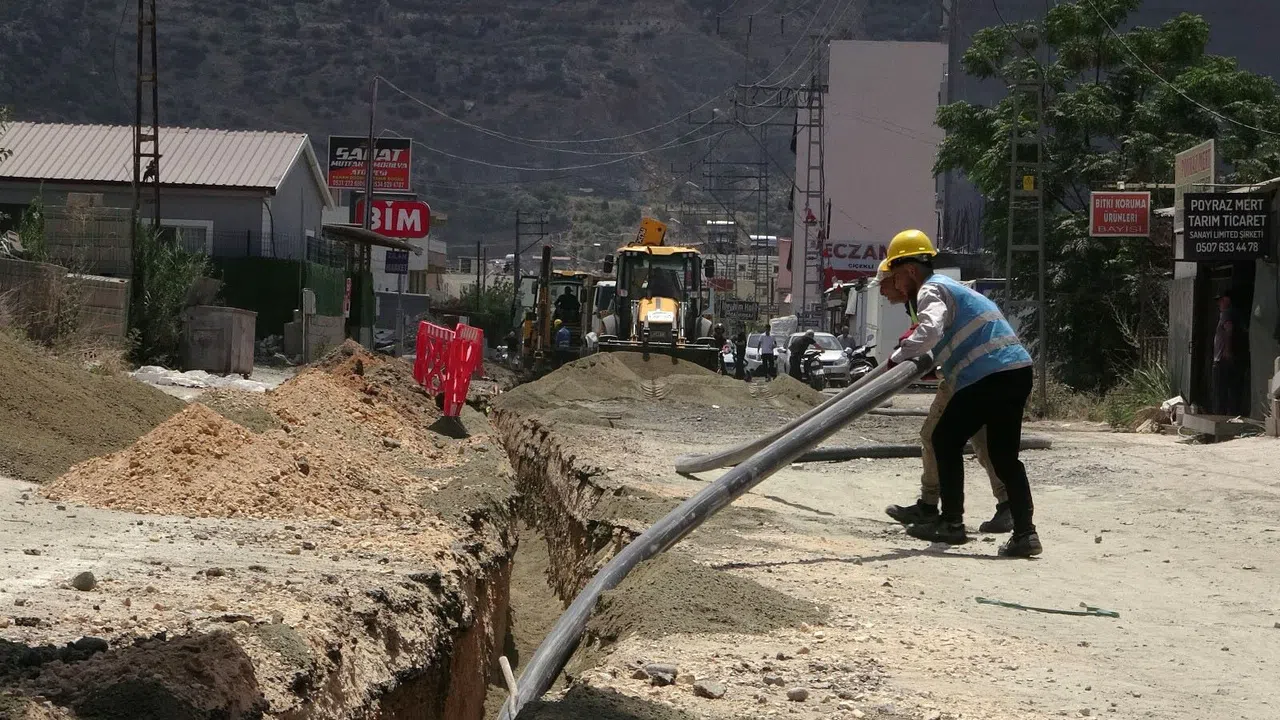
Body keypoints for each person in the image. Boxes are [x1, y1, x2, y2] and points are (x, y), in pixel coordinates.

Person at [882, 229, 1041, 557]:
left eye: (896, 277)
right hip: (1016, 371)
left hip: (987, 376)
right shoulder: (952, 288)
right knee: (1004, 458)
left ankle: (951, 523)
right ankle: (1026, 534)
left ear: (911, 270)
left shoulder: (931, 289)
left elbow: (930, 329)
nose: (896, 286)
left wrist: (897, 357)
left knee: (943, 439)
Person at [876, 260, 1012, 534]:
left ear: (902, 275)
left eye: (884, 284)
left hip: (971, 373)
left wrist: (903, 352)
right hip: (979, 371)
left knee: (935, 436)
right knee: (982, 440)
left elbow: (930, 333)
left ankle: (935, 510)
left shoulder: (927, 292)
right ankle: (1007, 505)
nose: (882, 292)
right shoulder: (922, 296)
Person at [1212, 290, 1237, 416]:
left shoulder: (1227, 315)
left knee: (1221, 389)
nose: (1219, 303)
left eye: (1221, 300)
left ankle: (1221, 415)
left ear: (1227, 300)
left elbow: (1229, 331)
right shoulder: (1224, 314)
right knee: (1220, 389)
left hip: (1222, 358)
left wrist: (1227, 350)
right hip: (1220, 357)